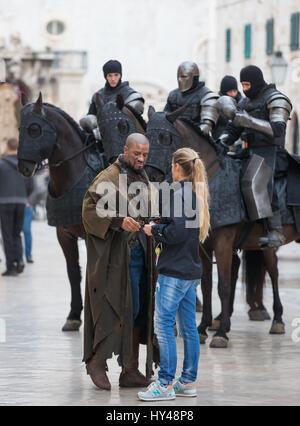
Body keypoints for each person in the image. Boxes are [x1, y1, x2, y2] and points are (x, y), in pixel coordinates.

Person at [82, 133, 158, 391]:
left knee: (138, 311)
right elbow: (89, 209)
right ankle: (96, 361)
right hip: (117, 259)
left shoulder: (142, 176)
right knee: (114, 307)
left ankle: (130, 370)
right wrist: (117, 220)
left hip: (140, 255)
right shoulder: (108, 177)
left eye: (145, 155)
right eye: (136, 153)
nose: (141, 159)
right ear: (125, 150)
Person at [138, 147, 210, 401]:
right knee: (188, 328)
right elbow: (183, 227)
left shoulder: (177, 193)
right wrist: (161, 223)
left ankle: (165, 383)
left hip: (174, 272)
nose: (170, 169)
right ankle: (187, 381)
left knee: (164, 324)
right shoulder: (194, 192)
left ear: (178, 167)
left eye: (172, 165)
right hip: (190, 270)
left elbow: (176, 233)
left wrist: (152, 231)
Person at [218, 65, 292, 248]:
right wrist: (222, 140)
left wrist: (248, 121)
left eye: (247, 84)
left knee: (255, 181)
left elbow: (277, 129)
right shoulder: (244, 103)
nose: (244, 89)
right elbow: (233, 128)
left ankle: (276, 230)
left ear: (256, 82)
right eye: (242, 85)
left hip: (270, 151)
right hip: (248, 151)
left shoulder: (276, 98)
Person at [80, 60, 144, 139]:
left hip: (126, 138)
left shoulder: (130, 95)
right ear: (105, 77)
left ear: (120, 75)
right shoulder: (98, 96)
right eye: (110, 75)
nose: (113, 79)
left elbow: (136, 124)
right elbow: (91, 118)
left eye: (116, 75)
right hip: (102, 139)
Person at [0, 138, 33, 276]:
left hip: (4, 202)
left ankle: (11, 267)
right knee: (17, 233)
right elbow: (31, 185)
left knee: (7, 235)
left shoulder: (1, 164)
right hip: (21, 202)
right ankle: (19, 260)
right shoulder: (24, 165)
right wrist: (24, 196)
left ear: (7, 147)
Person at [164, 61, 219, 136]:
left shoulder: (206, 95)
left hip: (196, 140)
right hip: (174, 137)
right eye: (179, 77)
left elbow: (206, 126)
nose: (180, 80)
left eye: (184, 77)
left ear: (194, 77)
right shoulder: (173, 95)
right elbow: (165, 119)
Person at [213, 75, 243, 140]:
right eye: (229, 92)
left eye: (234, 91)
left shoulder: (242, 103)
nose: (232, 94)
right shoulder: (216, 103)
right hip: (219, 139)